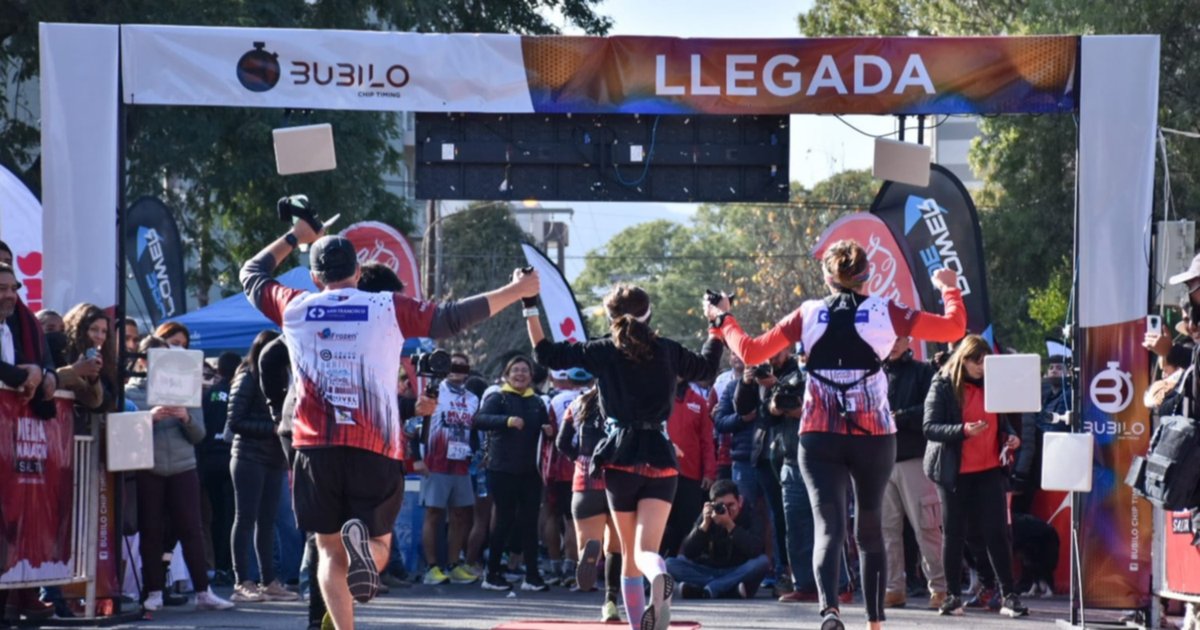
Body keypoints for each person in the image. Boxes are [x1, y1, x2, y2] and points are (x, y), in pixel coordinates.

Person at [240, 204, 539, 630]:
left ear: (315, 279)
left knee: (327, 551)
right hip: (374, 445)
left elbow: (251, 273)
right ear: (358, 272)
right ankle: (368, 554)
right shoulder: (386, 307)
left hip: (314, 447)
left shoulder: (295, 306)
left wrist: (296, 236)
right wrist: (517, 289)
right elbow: (452, 318)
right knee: (379, 542)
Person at [705, 239, 966, 630]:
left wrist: (724, 318)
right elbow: (954, 328)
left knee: (828, 528)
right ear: (867, 275)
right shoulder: (885, 311)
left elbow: (752, 351)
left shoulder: (809, 313)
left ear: (827, 277)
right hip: (873, 434)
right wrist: (949, 287)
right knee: (870, 529)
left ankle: (830, 610)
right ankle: (874, 623)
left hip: (819, 434)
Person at [528, 283, 724, 630]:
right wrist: (717, 321)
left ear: (611, 317)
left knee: (628, 555)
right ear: (649, 313)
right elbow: (708, 368)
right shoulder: (668, 350)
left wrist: (529, 303)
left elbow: (546, 354)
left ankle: (637, 610)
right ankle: (659, 573)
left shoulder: (604, 350)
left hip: (620, 458)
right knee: (647, 551)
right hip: (661, 456)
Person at [126, 335, 235, 612]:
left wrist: (185, 417)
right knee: (151, 529)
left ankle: (203, 591)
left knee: (191, 528)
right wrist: (150, 418)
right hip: (148, 466)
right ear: (143, 361)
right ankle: (153, 590)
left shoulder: (186, 390)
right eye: (156, 357)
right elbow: (124, 433)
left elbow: (199, 435)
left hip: (184, 465)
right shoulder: (131, 392)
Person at [922, 335, 1027, 618]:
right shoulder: (943, 384)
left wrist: (1011, 436)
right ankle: (952, 596)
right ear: (963, 360)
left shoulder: (994, 384)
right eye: (976, 362)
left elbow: (1003, 422)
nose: (981, 368)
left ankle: (1009, 595)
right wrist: (963, 430)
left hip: (990, 469)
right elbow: (930, 427)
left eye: (985, 362)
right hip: (954, 472)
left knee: (997, 533)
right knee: (954, 534)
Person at [226, 330, 297, 603]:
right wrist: (275, 428)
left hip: (273, 457)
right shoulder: (247, 376)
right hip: (248, 456)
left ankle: (268, 581)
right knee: (245, 519)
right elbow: (235, 421)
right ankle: (242, 581)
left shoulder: (284, 377)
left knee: (267, 522)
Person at [474, 356, 554, 592]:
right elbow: (479, 420)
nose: (520, 374)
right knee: (504, 520)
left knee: (530, 522)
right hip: (502, 469)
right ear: (507, 375)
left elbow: (546, 429)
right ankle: (492, 574)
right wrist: (506, 420)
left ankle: (532, 576)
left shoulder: (537, 402)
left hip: (531, 471)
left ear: (531, 376)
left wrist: (549, 430)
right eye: (515, 370)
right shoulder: (498, 397)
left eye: (524, 371)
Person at [879, 336, 946, 609]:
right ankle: (893, 588)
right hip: (880, 462)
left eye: (899, 338)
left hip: (915, 460)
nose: (893, 344)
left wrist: (901, 416)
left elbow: (934, 410)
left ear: (909, 340)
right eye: (889, 338)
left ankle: (940, 588)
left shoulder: (923, 371)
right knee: (886, 531)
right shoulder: (873, 374)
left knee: (927, 527)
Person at [556, 385, 623, 622]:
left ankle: (587, 553)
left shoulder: (578, 403)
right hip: (619, 478)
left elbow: (562, 442)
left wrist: (579, 458)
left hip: (585, 477)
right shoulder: (625, 400)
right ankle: (611, 601)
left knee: (588, 540)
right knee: (615, 547)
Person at [419, 352, 481, 586]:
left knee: (460, 514)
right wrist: (416, 457)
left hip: (461, 463)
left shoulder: (473, 399)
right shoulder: (434, 392)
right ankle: (431, 567)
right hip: (435, 460)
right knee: (434, 513)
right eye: (453, 366)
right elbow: (416, 424)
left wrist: (477, 453)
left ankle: (454, 564)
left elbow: (474, 429)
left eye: (462, 367)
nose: (457, 371)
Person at [667, 479, 768, 599]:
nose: (726, 511)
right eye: (721, 506)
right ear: (712, 505)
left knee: (762, 562)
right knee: (669, 563)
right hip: (709, 569)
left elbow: (755, 549)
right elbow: (689, 552)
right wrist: (704, 525)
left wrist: (730, 525)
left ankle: (708, 589)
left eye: (731, 505)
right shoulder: (709, 515)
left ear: (740, 501)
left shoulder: (750, 514)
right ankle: (726, 589)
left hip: (737, 570)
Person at [541, 369, 589, 586]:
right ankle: (570, 564)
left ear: (568, 380)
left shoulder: (556, 400)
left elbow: (548, 433)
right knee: (573, 519)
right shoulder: (596, 397)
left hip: (557, 465)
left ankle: (554, 565)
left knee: (552, 514)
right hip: (583, 465)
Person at [661, 377, 717, 558]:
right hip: (661, 473)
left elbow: (707, 441)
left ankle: (684, 565)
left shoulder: (698, 402)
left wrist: (709, 472)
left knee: (688, 525)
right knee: (662, 526)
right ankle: (657, 567)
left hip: (691, 475)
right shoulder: (658, 396)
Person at [197, 352, 240, 587]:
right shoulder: (237, 392)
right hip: (230, 458)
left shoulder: (209, 394)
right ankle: (226, 566)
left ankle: (217, 566)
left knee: (215, 516)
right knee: (231, 516)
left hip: (208, 461)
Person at [57, 303, 117, 412]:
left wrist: (93, 378)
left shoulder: (106, 361)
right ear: (79, 330)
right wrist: (76, 370)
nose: (100, 336)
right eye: (94, 329)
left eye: (104, 331)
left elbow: (104, 402)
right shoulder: (61, 351)